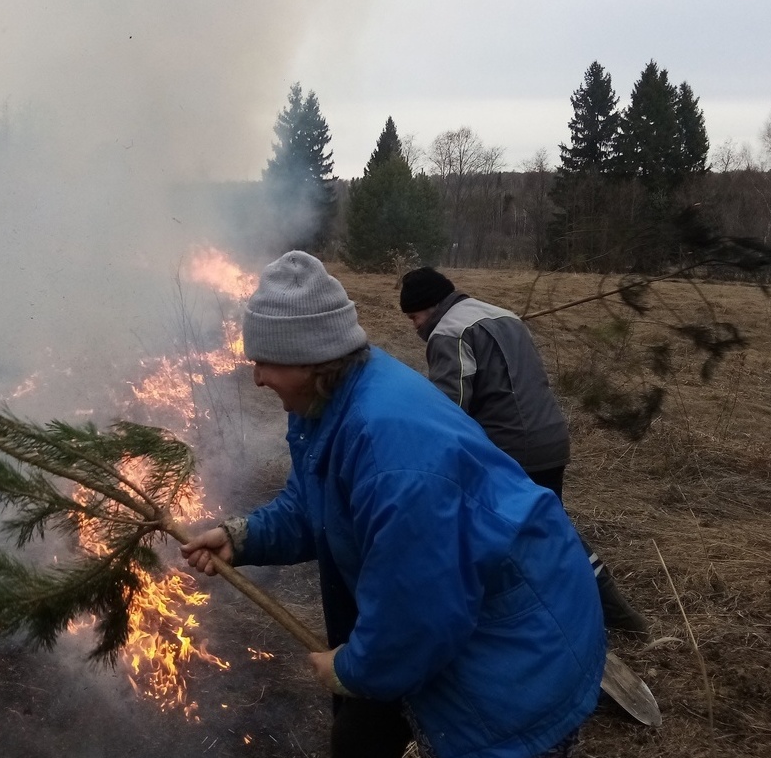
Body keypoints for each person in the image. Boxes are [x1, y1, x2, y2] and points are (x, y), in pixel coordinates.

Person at [182, 251, 605, 758]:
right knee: (359, 736)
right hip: (452, 626)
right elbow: (311, 503)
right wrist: (241, 537)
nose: (256, 379)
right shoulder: (327, 401)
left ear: (310, 358)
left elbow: (420, 608)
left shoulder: (392, 451)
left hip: (513, 658)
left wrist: (351, 669)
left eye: (264, 362)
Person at [397, 266, 649, 638]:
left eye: (415, 317)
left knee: (497, 528)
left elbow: (452, 407)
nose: (415, 327)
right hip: (549, 436)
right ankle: (599, 609)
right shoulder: (502, 315)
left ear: (431, 307)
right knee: (550, 527)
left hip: (511, 446)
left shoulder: (449, 331)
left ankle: (576, 616)